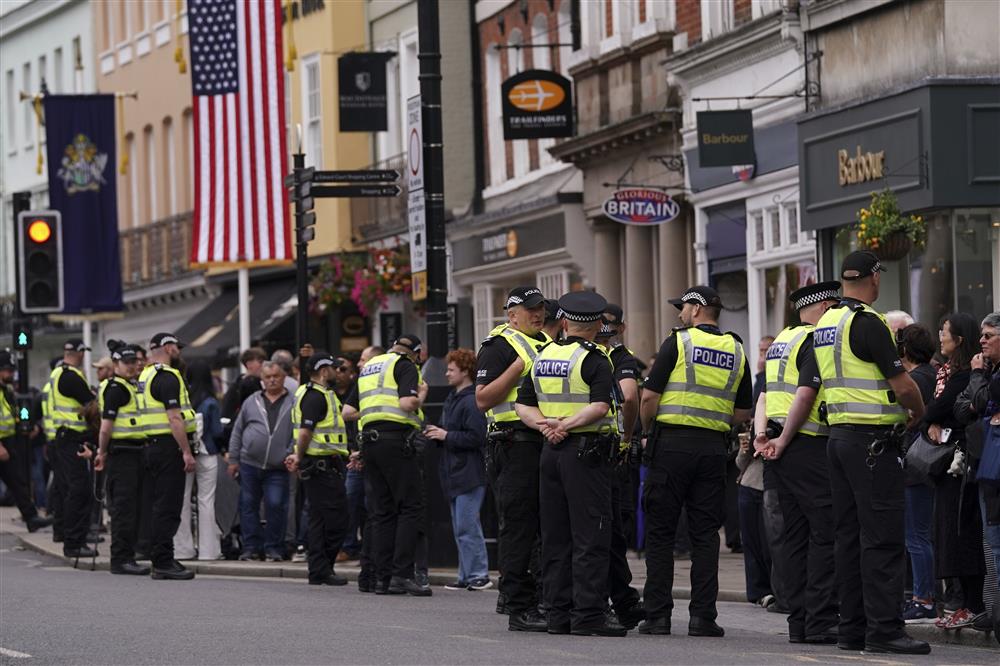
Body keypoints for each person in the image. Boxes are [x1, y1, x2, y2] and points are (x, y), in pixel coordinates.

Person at [812, 251, 928, 654]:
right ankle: (885, 630)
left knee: (847, 537)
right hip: (873, 444)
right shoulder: (869, 322)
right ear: (874, 279)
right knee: (882, 539)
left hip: (838, 440)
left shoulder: (825, 323)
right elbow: (903, 385)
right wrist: (918, 412)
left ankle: (852, 629)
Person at [637, 285, 752, 638]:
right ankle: (703, 617)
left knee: (660, 532)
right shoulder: (736, 348)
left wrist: (645, 432)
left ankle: (657, 616)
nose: (679, 313)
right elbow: (743, 409)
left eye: (683, 307)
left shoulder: (679, 343)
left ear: (698, 309)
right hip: (713, 450)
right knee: (704, 535)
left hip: (671, 446)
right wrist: (712, 420)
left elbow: (649, 396)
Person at [515, 290, 625, 637]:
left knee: (555, 536)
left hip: (551, 453)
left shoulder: (543, 355)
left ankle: (557, 613)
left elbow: (522, 405)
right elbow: (600, 407)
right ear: (596, 325)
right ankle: (588, 614)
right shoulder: (596, 359)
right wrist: (566, 425)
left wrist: (546, 426)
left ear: (563, 322)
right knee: (590, 535)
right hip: (586, 452)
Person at [754, 282, 843, 644]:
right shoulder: (812, 341)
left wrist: (763, 437)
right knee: (824, 533)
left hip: (778, 450)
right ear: (822, 307)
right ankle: (820, 621)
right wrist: (785, 439)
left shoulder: (780, 342)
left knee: (792, 538)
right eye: (834, 307)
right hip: (805, 447)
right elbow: (806, 394)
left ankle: (799, 622)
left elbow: (763, 397)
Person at [475, 286, 550, 631]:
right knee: (519, 526)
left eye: (541, 309)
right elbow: (483, 399)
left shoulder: (545, 344)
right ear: (511, 314)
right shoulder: (500, 346)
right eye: (530, 309)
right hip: (512, 443)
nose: (538, 314)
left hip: (539, 442)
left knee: (536, 526)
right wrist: (518, 367)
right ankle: (520, 606)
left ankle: (521, 597)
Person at [344, 336, 429, 596]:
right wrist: (421, 395)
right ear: (415, 353)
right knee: (410, 506)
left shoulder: (371, 366)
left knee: (382, 511)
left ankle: (382, 578)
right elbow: (407, 403)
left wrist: (375, 413)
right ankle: (401, 575)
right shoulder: (405, 365)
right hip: (396, 442)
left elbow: (347, 411)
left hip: (370, 444)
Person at [924, 313, 985, 630]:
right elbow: (936, 411)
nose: (940, 335)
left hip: (962, 463)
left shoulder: (964, 376)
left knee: (961, 531)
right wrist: (933, 418)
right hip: (947, 463)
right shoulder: (946, 374)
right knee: (945, 532)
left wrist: (933, 417)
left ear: (959, 339)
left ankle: (971, 605)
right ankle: (956, 604)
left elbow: (937, 408)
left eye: (945, 331)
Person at [594, 304, 644, 629]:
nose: (606, 330)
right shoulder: (605, 358)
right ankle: (619, 601)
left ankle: (620, 601)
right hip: (606, 451)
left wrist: (625, 439)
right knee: (607, 531)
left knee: (610, 531)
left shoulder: (619, 359)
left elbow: (628, 397)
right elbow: (629, 398)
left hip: (608, 453)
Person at [424, 348, 490, 591]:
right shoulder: (455, 398)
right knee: (460, 526)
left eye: (452, 369)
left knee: (467, 526)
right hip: (455, 471)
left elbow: (477, 437)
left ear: (465, 371)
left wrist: (445, 435)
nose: (447, 373)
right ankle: (466, 575)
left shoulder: (471, 401)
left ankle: (479, 574)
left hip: (469, 472)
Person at [285, 353, 351, 585]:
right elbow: (305, 432)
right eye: (334, 368)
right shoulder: (315, 397)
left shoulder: (311, 393)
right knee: (336, 518)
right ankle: (323, 567)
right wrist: (298, 454)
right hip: (321, 468)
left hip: (321, 465)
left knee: (319, 519)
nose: (337, 372)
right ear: (324, 371)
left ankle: (319, 570)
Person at [955, 311, 1000, 641]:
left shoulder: (984, 372)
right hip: (985, 466)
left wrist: (977, 378)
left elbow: (982, 399)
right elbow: (962, 409)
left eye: (988, 335)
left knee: (996, 546)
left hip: (994, 468)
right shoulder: (987, 371)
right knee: (990, 544)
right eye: (981, 336)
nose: (981, 341)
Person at [138, 332, 197, 580]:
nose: (179, 351)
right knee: (168, 506)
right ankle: (162, 561)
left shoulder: (146, 374)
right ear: (167, 347)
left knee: (159, 504)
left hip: (152, 446)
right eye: (176, 346)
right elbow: (174, 418)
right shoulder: (167, 377)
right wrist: (185, 451)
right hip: (167, 447)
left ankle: (163, 557)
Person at [228, 361, 293, 561]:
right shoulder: (251, 401)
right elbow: (238, 430)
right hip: (249, 463)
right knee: (248, 505)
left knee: (276, 505)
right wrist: (233, 458)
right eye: (267, 377)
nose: (272, 380)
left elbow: (299, 432)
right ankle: (251, 548)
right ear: (262, 380)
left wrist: (290, 452)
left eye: (276, 376)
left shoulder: (294, 401)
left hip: (278, 466)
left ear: (284, 378)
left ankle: (274, 547)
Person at [93, 341, 148, 575]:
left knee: (130, 507)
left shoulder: (127, 385)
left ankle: (127, 556)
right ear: (115, 364)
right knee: (124, 508)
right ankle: (121, 558)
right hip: (122, 453)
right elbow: (106, 427)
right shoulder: (117, 388)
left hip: (133, 453)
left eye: (134, 362)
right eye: (126, 363)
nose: (132, 366)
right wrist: (101, 452)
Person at [895, 324, 938, 624]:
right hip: (922, 465)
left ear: (906, 350)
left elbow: (911, 415)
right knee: (917, 534)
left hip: (915, 465)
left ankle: (924, 599)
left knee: (916, 536)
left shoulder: (917, 379)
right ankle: (918, 596)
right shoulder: (931, 374)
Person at [46, 339, 98, 558]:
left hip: (62, 437)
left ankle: (71, 538)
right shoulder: (71, 377)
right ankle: (75, 542)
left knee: (69, 489)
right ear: (79, 353)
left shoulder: (56, 374)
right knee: (79, 490)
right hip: (71, 439)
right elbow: (91, 404)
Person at [174, 360, 223, 561]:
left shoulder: (184, 399)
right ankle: (208, 550)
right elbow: (218, 431)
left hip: (186, 453)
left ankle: (182, 549)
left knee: (183, 501)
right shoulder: (211, 402)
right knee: (206, 501)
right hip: (208, 452)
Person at [0, 351, 51, 532]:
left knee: (18, 482)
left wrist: (27, 426)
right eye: (7, 370)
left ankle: (31, 518)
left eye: (11, 370)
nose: (11, 374)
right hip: (0, 444)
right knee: (17, 481)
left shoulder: (7, 390)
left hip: (9, 441)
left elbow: (16, 414)